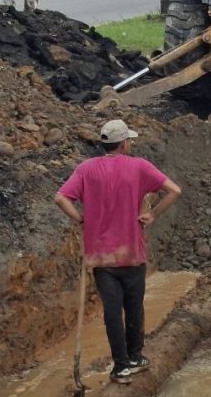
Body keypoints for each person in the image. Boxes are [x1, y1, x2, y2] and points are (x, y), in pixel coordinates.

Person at [54, 119, 182, 384]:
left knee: (112, 311)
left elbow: (61, 198)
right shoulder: (139, 166)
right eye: (129, 141)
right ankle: (135, 357)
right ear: (124, 143)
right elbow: (174, 190)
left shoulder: (87, 168)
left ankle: (120, 366)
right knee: (134, 307)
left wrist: (80, 219)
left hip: (101, 257)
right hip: (132, 253)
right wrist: (153, 214)